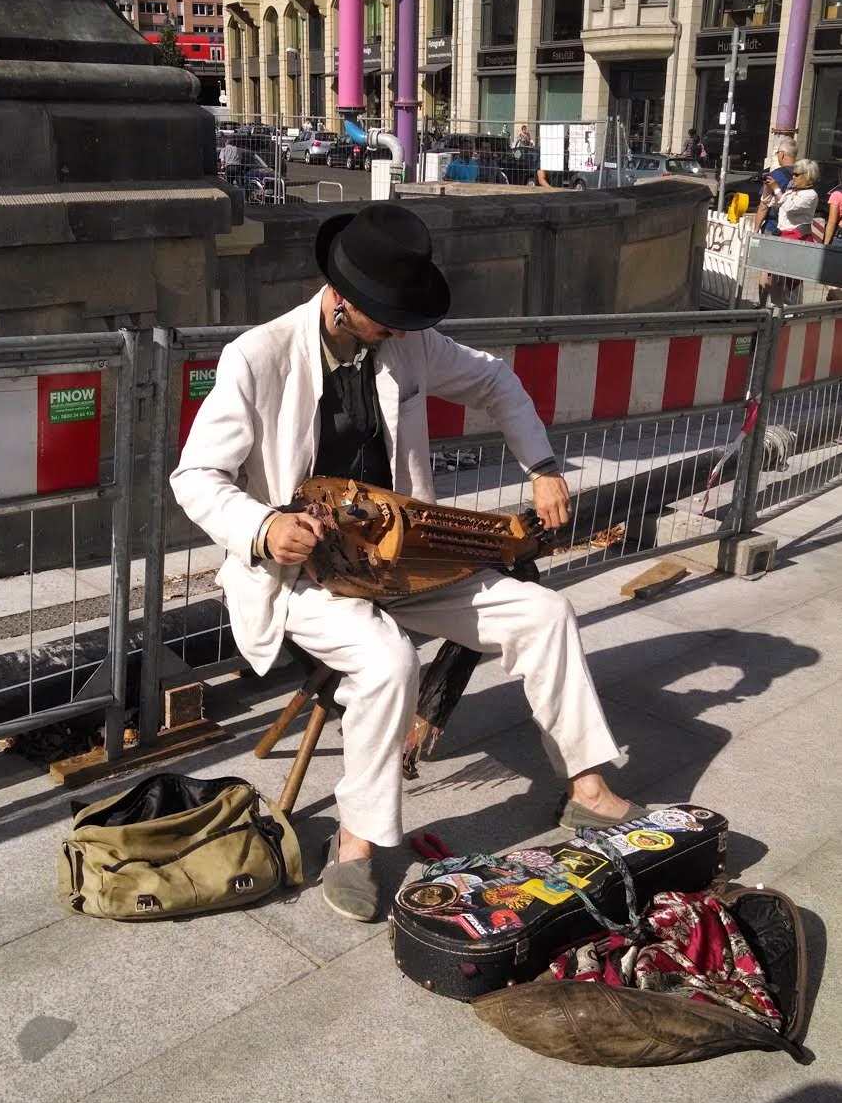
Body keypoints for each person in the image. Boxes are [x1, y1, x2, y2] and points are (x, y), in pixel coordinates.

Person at [170, 203, 647, 923]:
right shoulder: (257, 355)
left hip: (402, 562)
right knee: (388, 661)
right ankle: (355, 845)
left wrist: (543, 466)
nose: (399, 331)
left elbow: (496, 380)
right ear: (341, 299)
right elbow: (196, 476)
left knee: (545, 612)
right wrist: (263, 527)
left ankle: (586, 791)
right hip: (302, 575)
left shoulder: (408, 344)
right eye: (386, 318)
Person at [758, 159, 820, 306]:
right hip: (782, 239)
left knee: (792, 283)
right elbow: (770, 202)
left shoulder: (811, 195)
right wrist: (767, 187)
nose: (793, 177)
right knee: (777, 280)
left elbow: (790, 207)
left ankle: (791, 313)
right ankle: (776, 310)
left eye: (796, 175)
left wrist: (776, 188)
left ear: (807, 175)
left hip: (797, 241)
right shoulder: (792, 191)